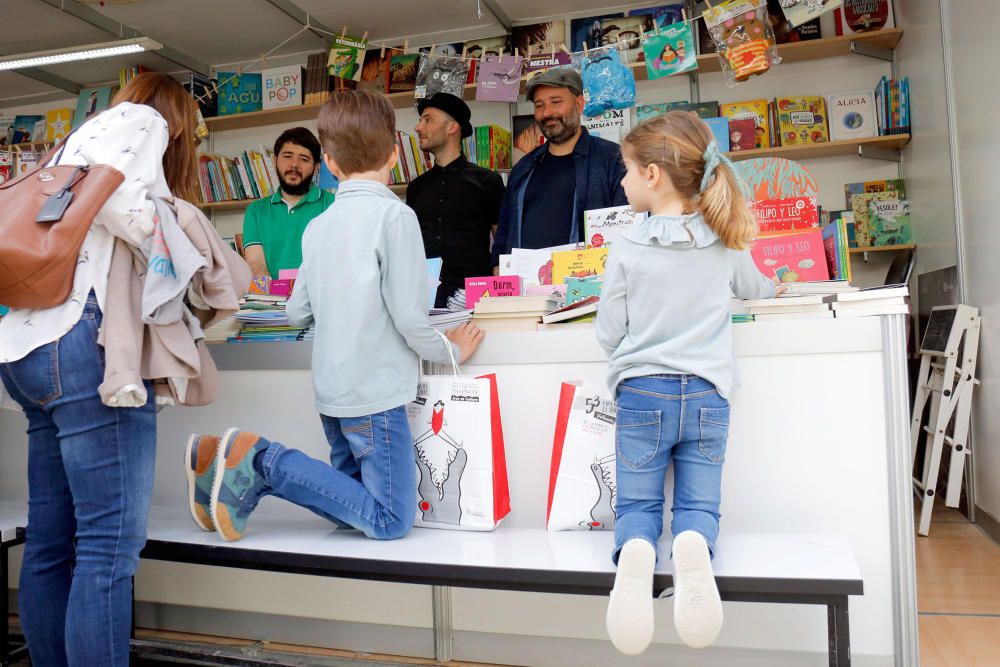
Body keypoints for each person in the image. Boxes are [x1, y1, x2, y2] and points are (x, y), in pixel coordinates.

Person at [185, 90, 484, 543]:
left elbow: (296, 309)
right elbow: (408, 317)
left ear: (329, 162)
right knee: (389, 520)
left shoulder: (319, 226)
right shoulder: (395, 216)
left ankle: (229, 461)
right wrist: (450, 348)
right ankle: (259, 459)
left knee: (352, 510)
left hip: (332, 392)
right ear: (391, 151)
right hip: (376, 397)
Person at [0, 72, 201, 667]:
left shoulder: (74, 140)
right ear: (178, 116)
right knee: (106, 552)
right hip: (87, 351)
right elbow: (124, 207)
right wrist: (179, 238)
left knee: (51, 545)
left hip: (27, 348)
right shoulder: (144, 122)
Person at [597, 112, 778, 655]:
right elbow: (758, 289)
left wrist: (630, 357)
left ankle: (635, 552)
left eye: (626, 170)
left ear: (652, 175)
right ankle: (694, 542)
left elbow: (610, 330)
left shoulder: (627, 245)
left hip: (642, 394)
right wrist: (781, 283)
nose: (622, 181)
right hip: (706, 393)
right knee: (699, 506)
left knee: (637, 506)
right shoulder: (724, 240)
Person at [492, 68, 627, 271]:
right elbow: (504, 234)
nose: (547, 113)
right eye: (539, 105)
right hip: (526, 294)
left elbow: (627, 233)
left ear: (579, 104)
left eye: (556, 102)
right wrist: (499, 271)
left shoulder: (613, 160)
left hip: (587, 290)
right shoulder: (523, 168)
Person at [408, 92, 505, 307]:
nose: (418, 127)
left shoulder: (488, 181)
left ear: (452, 127)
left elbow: (502, 243)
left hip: (477, 299)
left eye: (428, 119)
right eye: (420, 120)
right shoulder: (416, 187)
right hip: (425, 300)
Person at [242, 126, 335, 279]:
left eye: (304, 159)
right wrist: (273, 299)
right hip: (271, 300)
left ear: (317, 168)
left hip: (319, 301)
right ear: (275, 160)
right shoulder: (256, 211)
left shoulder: (333, 205)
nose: (294, 165)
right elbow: (256, 264)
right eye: (287, 156)